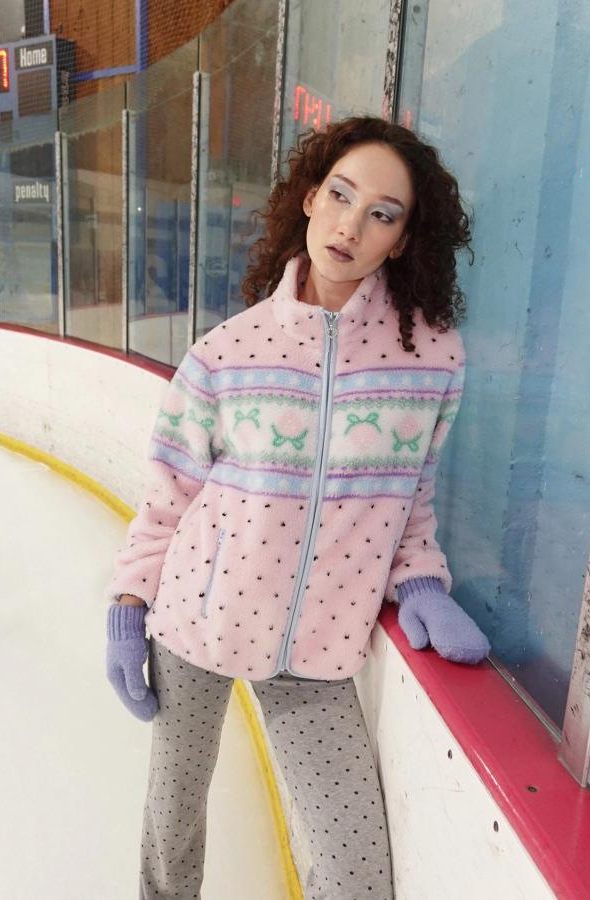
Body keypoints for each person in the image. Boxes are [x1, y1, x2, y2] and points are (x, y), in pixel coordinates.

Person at [105, 114, 490, 900]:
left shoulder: (432, 358)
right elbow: (168, 493)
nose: (352, 225)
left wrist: (420, 582)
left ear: (404, 239)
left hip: (316, 653)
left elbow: (412, 496)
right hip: (196, 618)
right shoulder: (227, 351)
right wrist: (126, 602)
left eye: (382, 213)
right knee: (172, 822)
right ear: (310, 201)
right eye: (341, 196)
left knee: (355, 876)